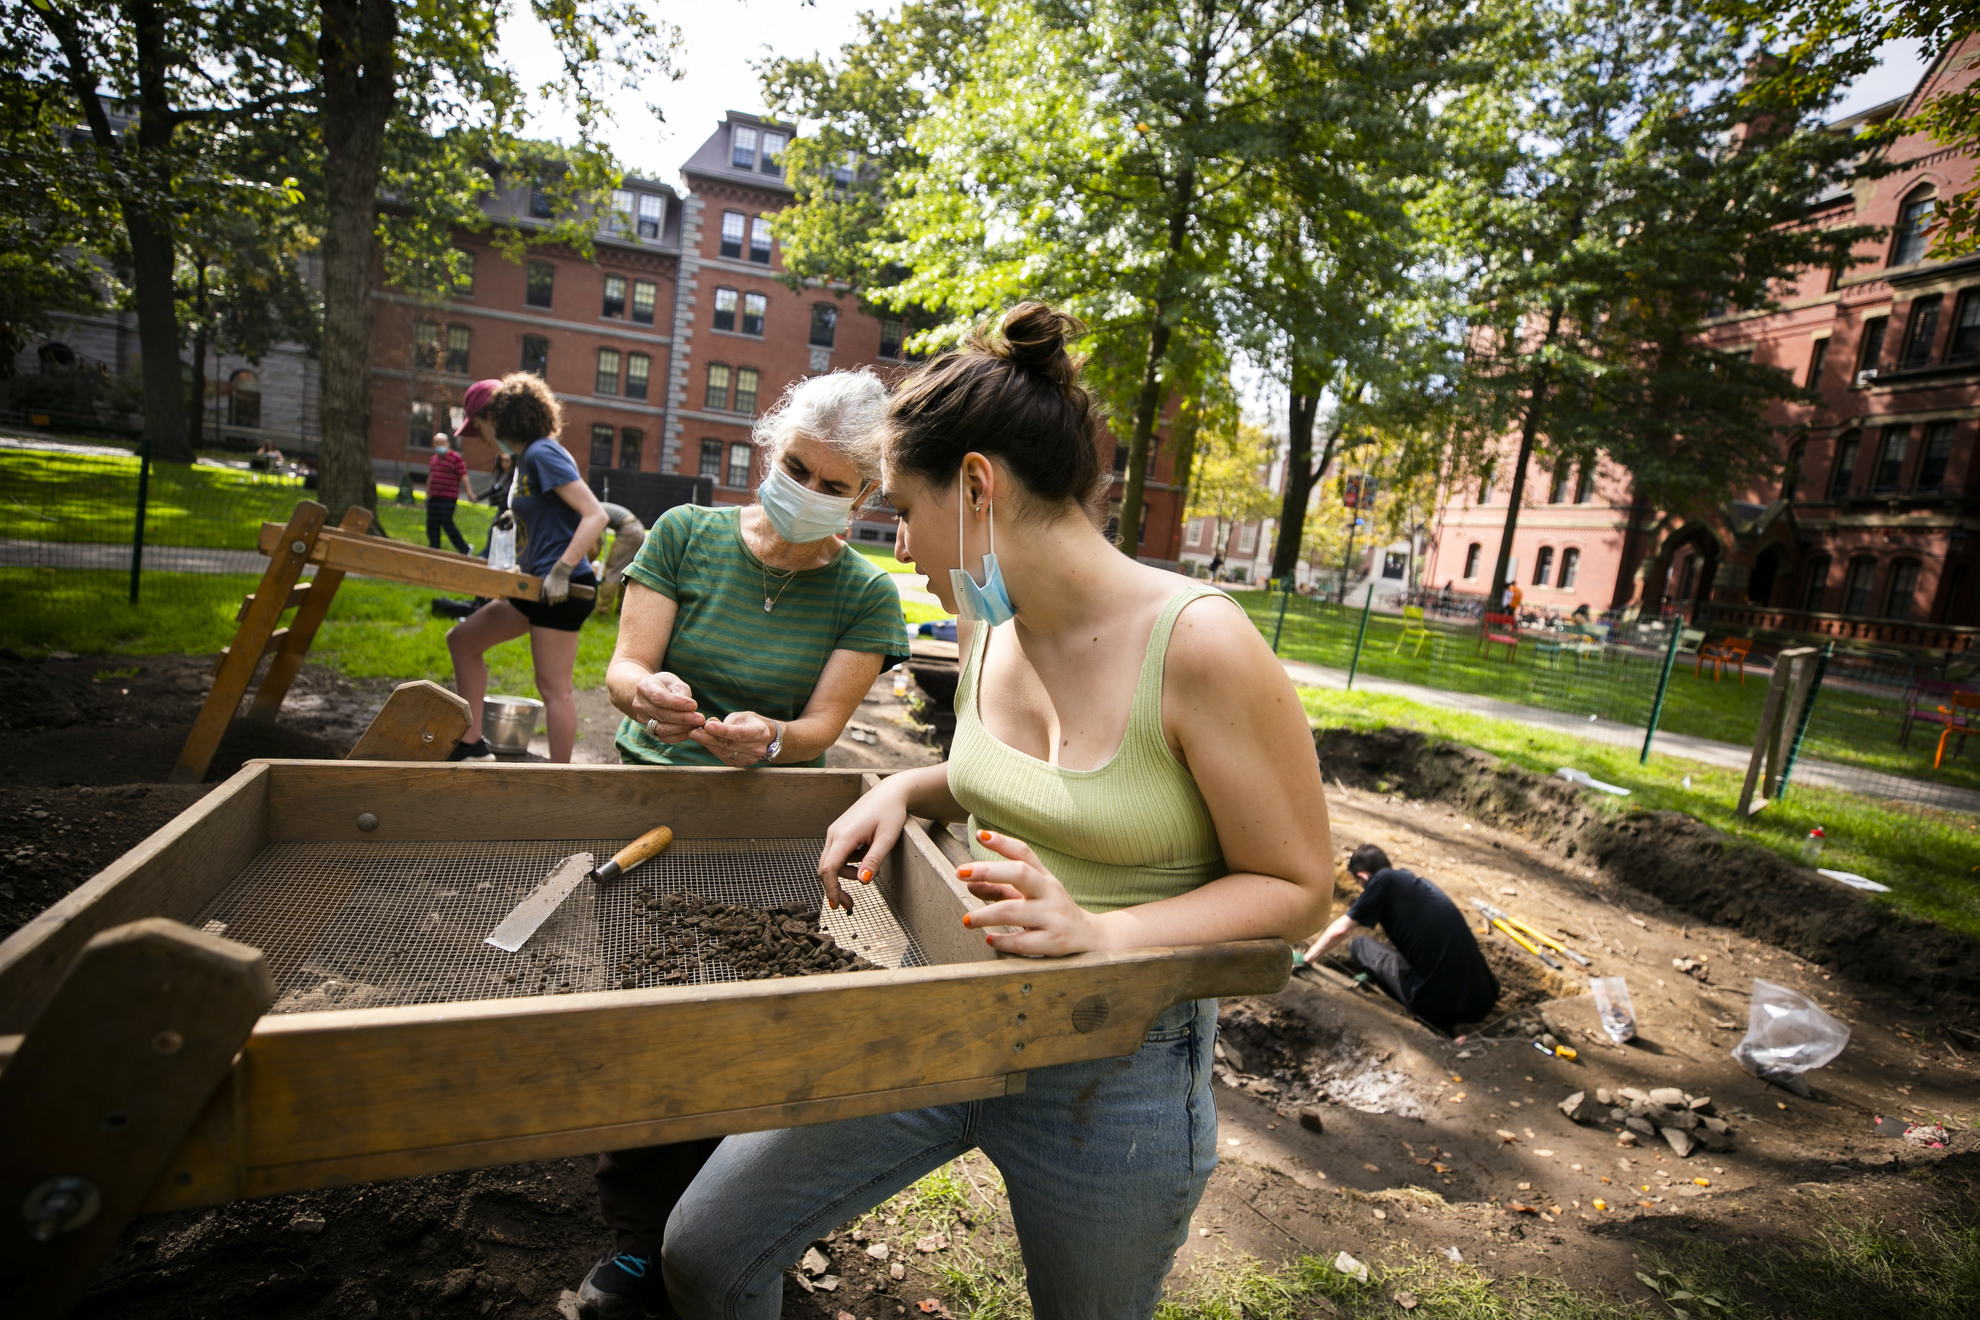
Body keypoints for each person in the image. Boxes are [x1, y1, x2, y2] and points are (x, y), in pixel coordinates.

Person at [657, 304, 1333, 1320]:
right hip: (943, 1010)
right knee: (706, 1252)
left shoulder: (1201, 646)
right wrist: (905, 785)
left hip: (1116, 1069)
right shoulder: (989, 619)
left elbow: (1300, 892)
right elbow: (996, 775)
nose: (892, 541)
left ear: (977, 487)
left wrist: (1102, 932)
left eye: (899, 511)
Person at [576, 370, 909, 1320]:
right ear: (772, 451)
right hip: (650, 809)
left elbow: (817, 732)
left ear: (865, 498)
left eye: (832, 483)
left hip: (764, 831)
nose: (804, 487)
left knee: (744, 1038)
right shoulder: (686, 536)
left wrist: (770, 739)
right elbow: (624, 670)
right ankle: (643, 1241)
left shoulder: (864, 596)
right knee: (644, 1017)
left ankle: (731, 1227)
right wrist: (652, 695)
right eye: (796, 465)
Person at [444, 373, 607, 763]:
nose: (480, 436)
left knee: (554, 688)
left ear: (499, 418)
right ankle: (471, 745)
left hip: (562, 588)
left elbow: (595, 515)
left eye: (480, 426)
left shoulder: (540, 453)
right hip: (535, 586)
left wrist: (562, 570)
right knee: (462, 640)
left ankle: (560, 779)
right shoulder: (524, 459)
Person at [1301, 844, 1499, 1034]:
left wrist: (1307, 958)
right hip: (1483, 1002)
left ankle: (1433, 1022)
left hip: (1439, 1009)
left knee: (1360, 945)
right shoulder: (1413, 882)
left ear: (1361, 877)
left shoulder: (1382, 882)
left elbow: (1340, 931)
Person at [590, 501, 646, 612]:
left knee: (613, 571)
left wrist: (590, 560)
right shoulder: (598, 506)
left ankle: (601, 610)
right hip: (638, 529)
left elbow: (596, 544)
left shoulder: (590, 512)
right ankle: (623, 609)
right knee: (628, 572)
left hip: (629, 531)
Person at [425, 431, 471, 552]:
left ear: (448, 443)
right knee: (432, 525)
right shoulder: (433, 459)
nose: (440, 445)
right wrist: (427, 493)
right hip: (434, 497)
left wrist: (469, 493)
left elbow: (463, 476)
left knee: (447, 523)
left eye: (442, 443)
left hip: (448, 498)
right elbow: (431, 476)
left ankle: (464, 549)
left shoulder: (455, 458)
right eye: (437, 443)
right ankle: (434, 548)